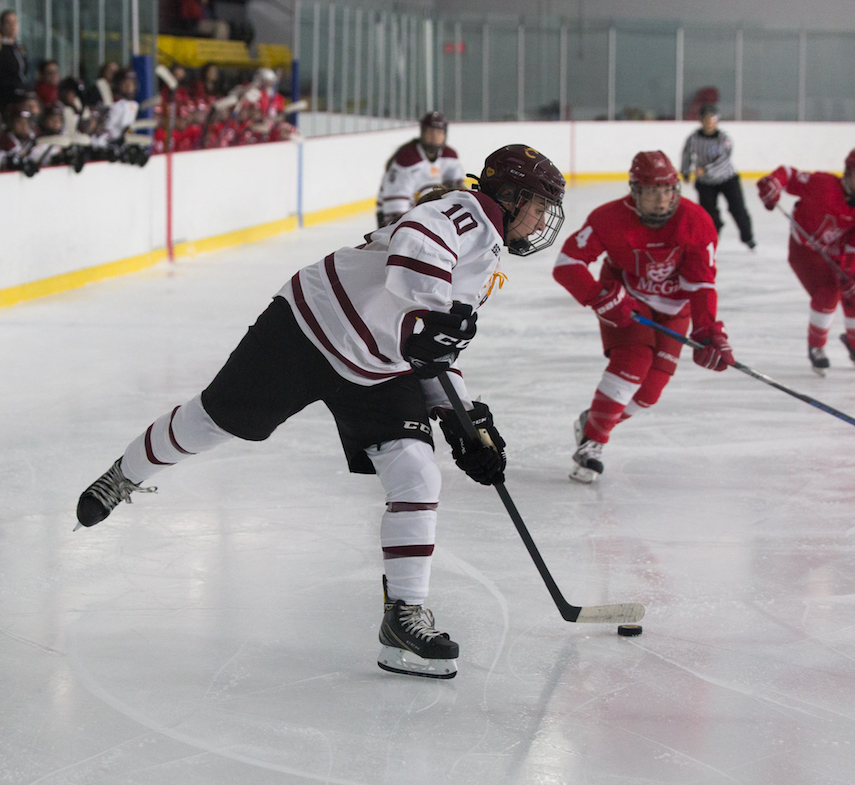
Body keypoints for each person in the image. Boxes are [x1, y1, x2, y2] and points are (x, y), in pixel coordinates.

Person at [75, 144, 566, 679]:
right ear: (510, 196)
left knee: (418, 474)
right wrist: (426, 317)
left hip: (378, 366)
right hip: (312, 327)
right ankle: (123, 475)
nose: (541, 221)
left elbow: (433, 350)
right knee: (213, 421)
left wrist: (463, 420)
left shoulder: (488, 252)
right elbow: (419, 240)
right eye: (538, 206)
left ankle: (402, 618)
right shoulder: (468, 213)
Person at [553, 150, 732, 484]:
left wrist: (708, 330)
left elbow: (700, 284)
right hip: (625, 301)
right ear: (635, 191)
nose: (661, 200)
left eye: (667, 190)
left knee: (649, 393)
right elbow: (567, 264)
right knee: (633, 361)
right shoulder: (609, 218)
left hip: (675, 309)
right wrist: (599, 297)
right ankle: (591, 445)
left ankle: (592, 422)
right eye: (651, 191)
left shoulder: (696, 222)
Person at [756, 148, 855, 371]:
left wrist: (853, 273)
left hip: (839, 255)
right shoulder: (822, 185)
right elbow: (788, 174)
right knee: (827, 294)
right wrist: (773, 183)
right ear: (847, 174)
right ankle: (816, 347)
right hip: (805, 252)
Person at [680, 103, 755, 250]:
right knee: (708, 215)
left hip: (728, 179)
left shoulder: (724, 139)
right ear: (701, 120)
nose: (709, 122)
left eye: (712, 119)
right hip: (705, 183)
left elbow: (724, 160)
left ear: (716, 120)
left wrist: (705, 170)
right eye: (706, 119)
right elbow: (686, 154)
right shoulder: (693, 139)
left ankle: (748, 238)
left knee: (738, 209)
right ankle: (712, 239)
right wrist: (685, 171)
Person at [376, 111, 465, 227]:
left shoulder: (450, 157)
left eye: (439, 132)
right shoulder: (407, 158)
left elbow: (457, 194)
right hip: (395, 217)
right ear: (422, 132)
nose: (435, 136)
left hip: (426, 217)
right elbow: (395, 208)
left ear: (445, 135)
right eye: (430, 131)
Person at [0, 11, 29, 113]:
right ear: (2, 26)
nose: (12, 26)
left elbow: (24, 69)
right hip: (6, 94)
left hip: (21, 90)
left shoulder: (19, 46)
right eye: (8, 22)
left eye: (14, 22)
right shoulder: (2, 47)